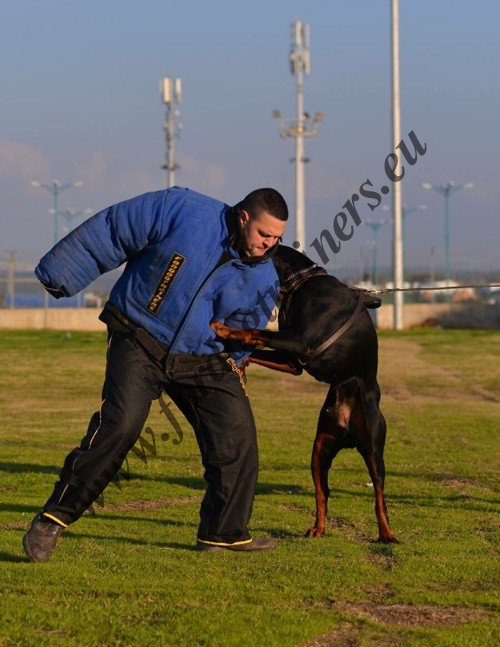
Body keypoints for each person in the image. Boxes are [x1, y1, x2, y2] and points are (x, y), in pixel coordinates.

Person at [23, 186, 288, 562]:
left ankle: (223, 532)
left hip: (201, 356)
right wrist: (61, 273)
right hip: (138, 334)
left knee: (237, 435)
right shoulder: (183, 209)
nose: (269, 244)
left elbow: (244, 329)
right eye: (265, 234)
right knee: (122, 425)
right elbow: (117, 228)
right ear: (244, 217)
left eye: (277, 238)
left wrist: (235, 360)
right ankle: (52, 519)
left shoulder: (263, 277)